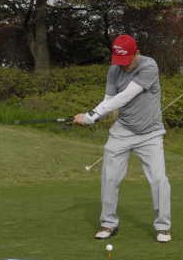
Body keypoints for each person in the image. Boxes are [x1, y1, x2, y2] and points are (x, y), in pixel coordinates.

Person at [73, 34, 172, 243]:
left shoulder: (149, 66)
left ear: (137, 53)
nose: (124, 66)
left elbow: (126, 95)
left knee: (158, 179)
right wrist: (92, 117)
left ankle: (163, 227)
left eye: (127, 60)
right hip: (122, 131)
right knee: (109, 177)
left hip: (150, 133)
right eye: (120, 61)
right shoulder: (114, 71)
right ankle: (108, 223)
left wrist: (93, 114)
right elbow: (109, 102)